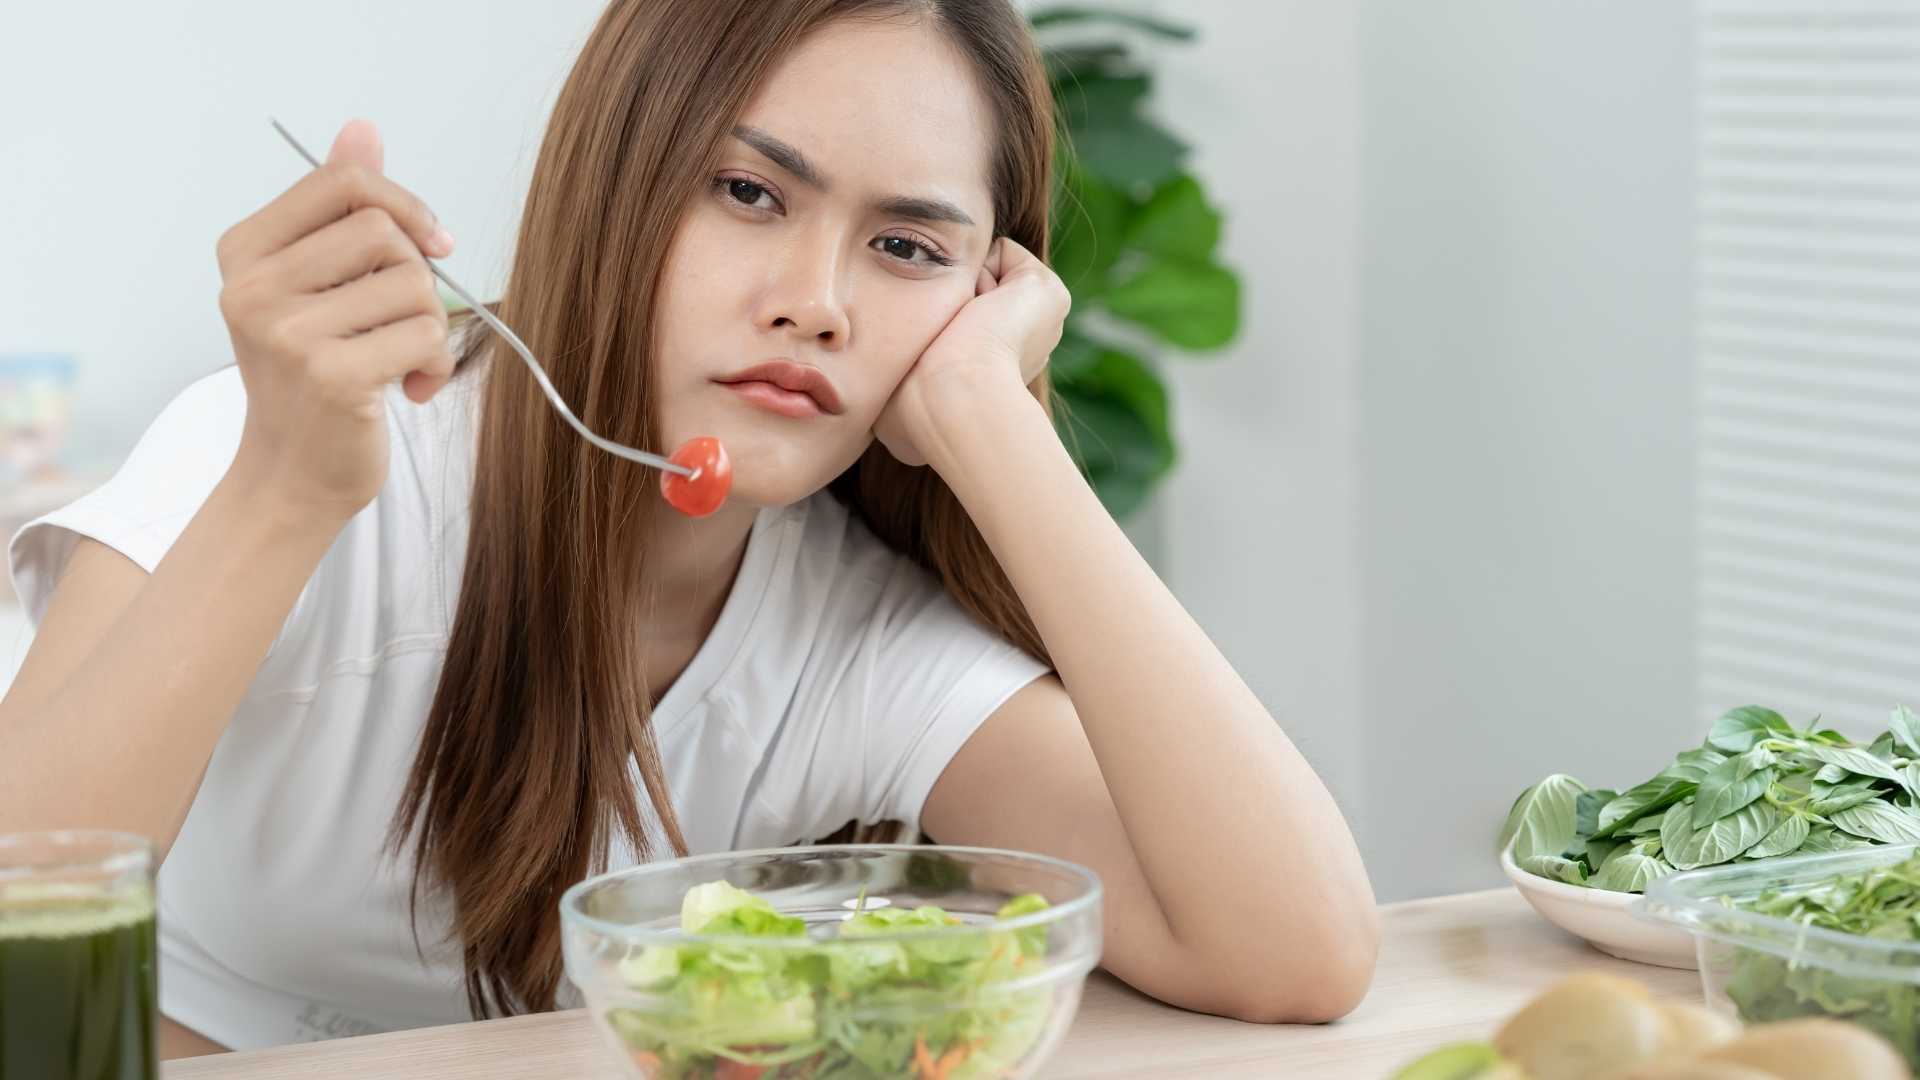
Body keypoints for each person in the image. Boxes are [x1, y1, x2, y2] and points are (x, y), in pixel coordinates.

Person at [0, 0, 1376, 1057]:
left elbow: (1298, 951)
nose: (815, 299)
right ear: (616, 181)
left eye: (908, 248)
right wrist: (285, 496)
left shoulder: (855, 637)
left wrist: (994, 423)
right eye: (749, 192)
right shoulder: (294, 454)